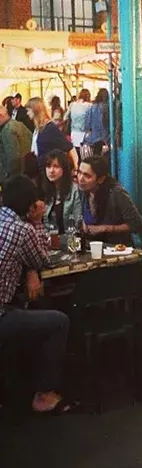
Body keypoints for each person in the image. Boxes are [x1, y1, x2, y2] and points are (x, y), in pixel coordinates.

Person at [0, 175, 77, 413]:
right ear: (30, 206)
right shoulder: (22, 229)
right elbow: (43, 259)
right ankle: (43, 394)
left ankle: (18, 380)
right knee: (58, 321)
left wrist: (29, 269)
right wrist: (37, 222)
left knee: (31, 306)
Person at [77, 156, 142, 245]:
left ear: (101, 179)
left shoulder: (116, 193)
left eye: (87, 175)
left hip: (116, 247)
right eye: (79, 173)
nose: (80, 178)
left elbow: (136, 224)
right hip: (92, 245)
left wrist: (105, 228)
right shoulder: (83, 191)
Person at [40, 149, 83, 235]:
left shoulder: (75, 190)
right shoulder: (44, 190)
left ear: (64, 169)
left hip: (71, 240)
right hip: (51, 241)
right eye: (48, 166)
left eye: (56, 166)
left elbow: (78, 223)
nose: (51, 171)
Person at [27, 97, 76, 168]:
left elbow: (69, 147)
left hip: (48, 169)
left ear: (35, 110)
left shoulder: (50, 128)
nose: (27, 113)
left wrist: (76, 167)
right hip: (42, 169)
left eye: (29, 110)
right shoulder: (38, 129)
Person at [0, 104, 31, 182]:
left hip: (15, 177)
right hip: (28, 171)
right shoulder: (19, 124)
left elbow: (13, 157)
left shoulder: (7, 131)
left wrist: (8, 177)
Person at [85, 88, 110, 154]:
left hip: (94, 138)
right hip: (105, 138)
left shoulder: (92, 107)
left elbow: (87, 124)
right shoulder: (108, 107)